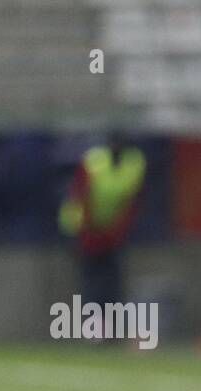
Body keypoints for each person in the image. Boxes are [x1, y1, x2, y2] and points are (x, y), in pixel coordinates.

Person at [58, 133, 145, 327]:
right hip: (85, 230)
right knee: (92, 281)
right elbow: (80, 197)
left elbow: (130, 201)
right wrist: (84, 231)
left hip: (111, 232)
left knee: (111, 281)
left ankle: (112, 326)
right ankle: (94, 328)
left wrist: (116, 231)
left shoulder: (133, 163)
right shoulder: (93, 162)